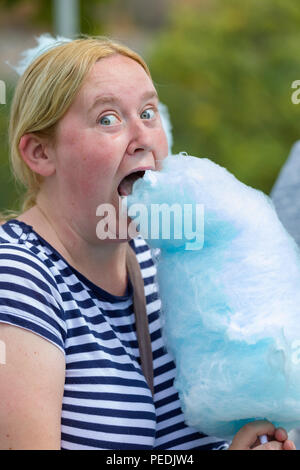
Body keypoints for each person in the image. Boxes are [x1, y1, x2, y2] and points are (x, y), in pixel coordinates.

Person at [0, 35, 295, 450]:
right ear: (40, 153)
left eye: (148, 112)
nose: (143, 137)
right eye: (108, 119)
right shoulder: (17, 279)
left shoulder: (167, 261)